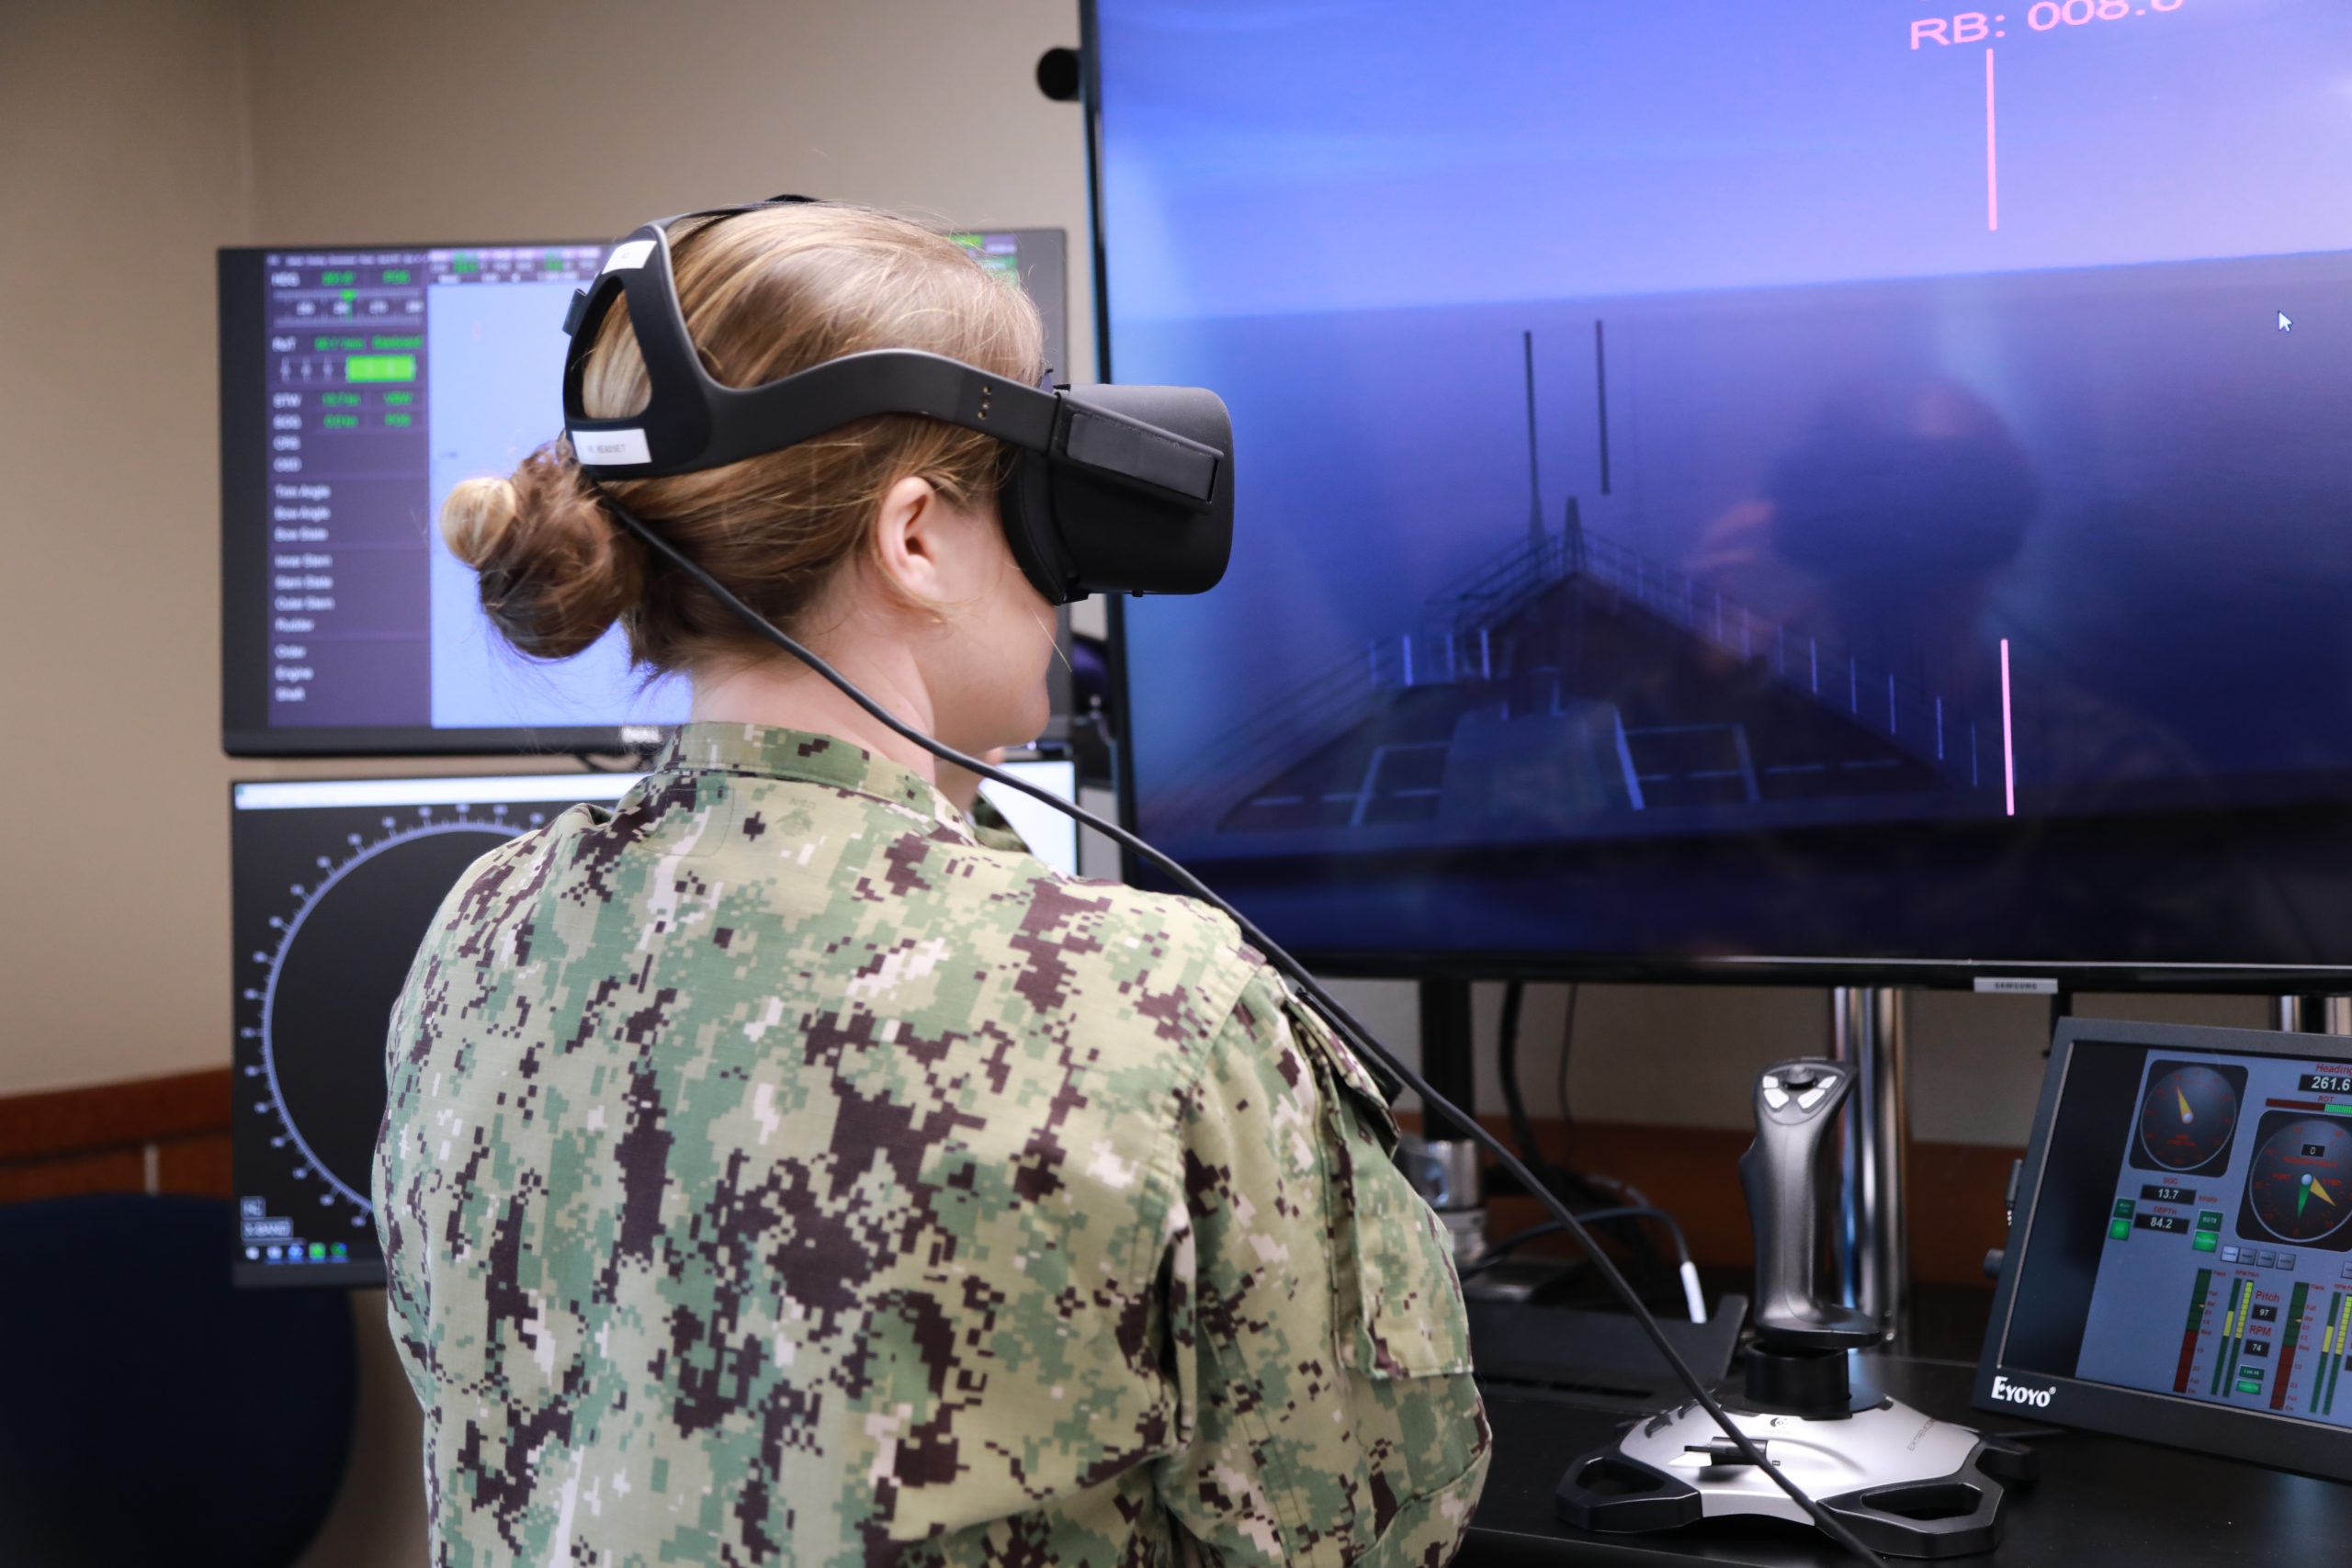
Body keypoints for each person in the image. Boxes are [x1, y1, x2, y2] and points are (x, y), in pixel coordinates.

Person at [371, 202, 1488, 1567]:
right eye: (1028, 495)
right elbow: (1372, 1516)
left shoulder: (476, 936)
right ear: (914, 538)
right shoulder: (1159, 1006)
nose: (1061, 574)